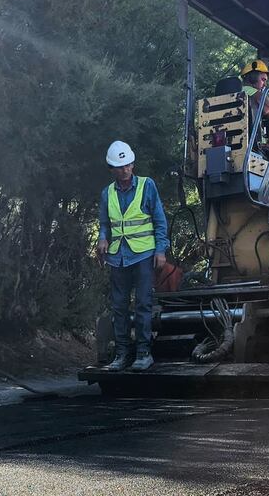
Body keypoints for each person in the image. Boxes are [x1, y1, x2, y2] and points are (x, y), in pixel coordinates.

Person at [97, 141, 169, 372]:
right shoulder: (107, 193)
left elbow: (159, 220)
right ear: (112, 169)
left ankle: (143, 353)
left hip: (143, 255)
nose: (126, 170)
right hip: (118, 257)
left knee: (142, 305)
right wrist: (102, 238)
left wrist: (160, 250)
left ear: (133, 164)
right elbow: (104, 224)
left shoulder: (147, 186)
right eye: (121, 167)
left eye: (128, 165)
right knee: (118, 306)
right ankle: (121, 355)